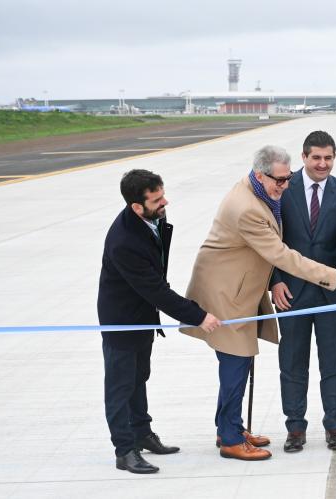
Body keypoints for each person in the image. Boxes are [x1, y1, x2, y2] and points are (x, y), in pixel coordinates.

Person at [181, 146, 336, 461]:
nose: (284, 186)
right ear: (260, 174)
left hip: (239, 289)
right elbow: (280, 255)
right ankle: (232, 439)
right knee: (236, 364)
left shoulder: (255, 189)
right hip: (227, 295)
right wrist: (332, 276)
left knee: (240, 363)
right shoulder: (247, 208)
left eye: (287, 180)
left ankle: (229, 426)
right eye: (279, 180)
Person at [98, 169, 222, 474]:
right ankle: (125, 451)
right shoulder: (124, 241)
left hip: (142, 317)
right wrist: (198, 316)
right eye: (157, 199)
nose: (164, 202)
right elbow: (156, 290)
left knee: (139, 377)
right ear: (136, 207)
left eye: (162, 194)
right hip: (122, 321)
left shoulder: (152, 219)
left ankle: (142, 432)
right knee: (120, 387)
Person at [270, 131, 336, 453]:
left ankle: (335, 425)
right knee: (292, 363)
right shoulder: (281, 188)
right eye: (316, 157)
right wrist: (274, 281)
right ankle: (295, 428)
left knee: (334, 363)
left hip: (332, 294)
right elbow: (270, 241)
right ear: (303, 157)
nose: (322, 164)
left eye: (328, 158)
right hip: (290, 293)